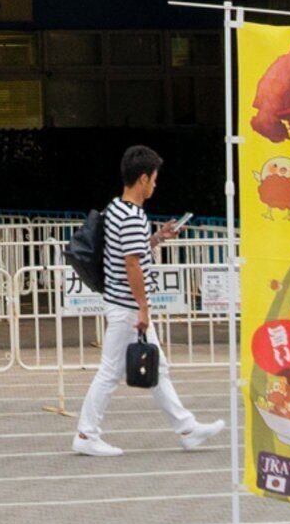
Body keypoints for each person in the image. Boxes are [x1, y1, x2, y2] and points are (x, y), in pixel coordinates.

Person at [73, 145, 221, 457]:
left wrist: (156, 237)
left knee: (158, 368)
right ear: (143, 179)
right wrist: (143, 308)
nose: (155, 184)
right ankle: (86, 434)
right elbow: (132, 264)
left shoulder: (116, 208)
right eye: (154, 179)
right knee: (110, 372)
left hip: (121, 302)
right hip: (127, 306)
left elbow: (128, 251)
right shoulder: (132, 216)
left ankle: (187, 428)